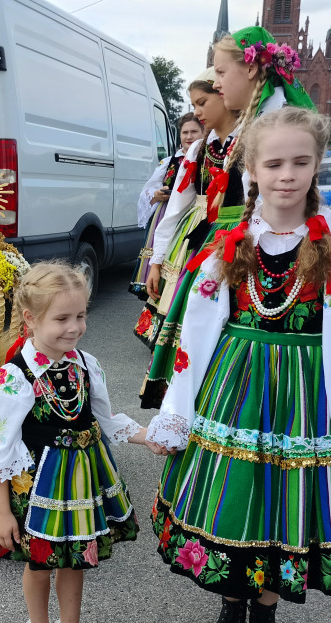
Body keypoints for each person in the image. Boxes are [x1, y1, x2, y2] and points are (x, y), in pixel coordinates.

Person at [146, 107, 331, 623]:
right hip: (237, 382)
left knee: (284, 504)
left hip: (308, 391)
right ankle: (230, 604)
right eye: (274, 163)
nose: (286, 174)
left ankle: (266, 612)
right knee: (236, 494)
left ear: (316, 168)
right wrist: (178, 408)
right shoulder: (231, 239)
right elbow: (196, 326)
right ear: (253, 170)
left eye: (300, 162)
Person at [0, 263, 155, 623]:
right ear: (30, 319)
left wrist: (147, 435)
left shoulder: (86, 364)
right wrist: (2, 512)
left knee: (75, 559)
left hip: (81, 482)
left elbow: (106, 419)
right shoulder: (13, 377)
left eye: (80, 316)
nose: (74, 327)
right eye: (61, 319)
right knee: (40, 562)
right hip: (38, 486)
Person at [137, 29, 315, 409]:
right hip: (216, 239)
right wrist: (157, 258)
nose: (216, 88)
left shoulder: (269, 126)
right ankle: (198, 406)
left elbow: (268, 207)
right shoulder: (207, 146)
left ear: (250, 70)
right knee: (201, 327)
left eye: (219, 76)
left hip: (247, 241)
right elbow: (177, 205)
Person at [134, 73, 236, 357]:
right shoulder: (197, 152)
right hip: (198, 234)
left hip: (237, 236)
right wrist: (156, 261)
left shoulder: (247, 143)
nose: (197, 112)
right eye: (194, 105)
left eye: (202, 102)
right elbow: (175, 208)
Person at [129, 111, 203, 298]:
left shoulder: (206, 159)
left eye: (194, 131)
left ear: (203, 132)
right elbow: (147, 194)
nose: (188, 136)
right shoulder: (169, 162)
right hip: (165, 214)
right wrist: (157, 195)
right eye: (184, 132)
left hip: (194, 215)